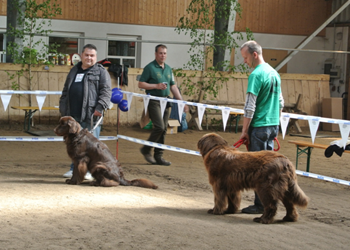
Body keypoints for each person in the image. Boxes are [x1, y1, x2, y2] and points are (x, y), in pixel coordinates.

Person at [239, 40, 284, 214]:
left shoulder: (256, 75)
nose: (245, 62)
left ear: (254, 55)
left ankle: (260, 204)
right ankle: (270, 201)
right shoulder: (274, 73)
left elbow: (250, 106)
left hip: (259, 126)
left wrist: (244, 131)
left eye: (245, 57)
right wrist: (276, 123)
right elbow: (281, 102)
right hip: (272, 125)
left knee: (257, 168)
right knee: (270, 168)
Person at [59, 44, 112, 179]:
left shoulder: (101, 72)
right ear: (81, 56)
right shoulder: (74, 70)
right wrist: (63, 109)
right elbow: (66, 91)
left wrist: (100, 108)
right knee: (75, 145)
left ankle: (89, 171)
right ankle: (74, 170)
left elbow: (106, 92)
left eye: (92, 55)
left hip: (91, 115)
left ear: (96, 57)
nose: (89, 58)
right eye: (87, 55)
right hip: (73, 115)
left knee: (90, 146)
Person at [138, 44, 189, 166]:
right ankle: (146, 149)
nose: (163, 55)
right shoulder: (149, 68)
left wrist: (181, 101)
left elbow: (173, 86)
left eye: (165, 53)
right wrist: (156, 86)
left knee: (164, 129)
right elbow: (141, 84)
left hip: (166, 101)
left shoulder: (168, 69)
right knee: (159, 127)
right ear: (156, 54)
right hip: (154, 100)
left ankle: (158, 156)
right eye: (160, 53)